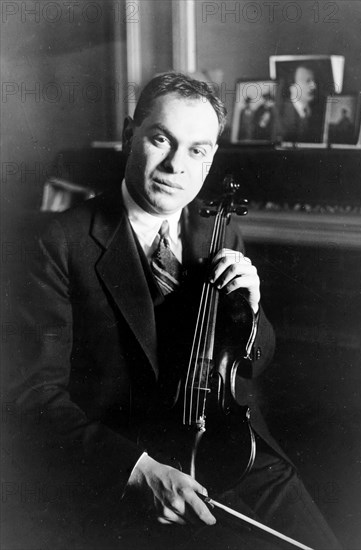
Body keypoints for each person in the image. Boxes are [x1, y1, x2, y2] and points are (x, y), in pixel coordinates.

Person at [9, 72, 341, 550]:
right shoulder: (58, 243)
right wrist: (137, 471)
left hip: (233, 453)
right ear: (130, 136)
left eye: (197, 150)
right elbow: (33, 397)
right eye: (161, 139)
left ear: (211, 159)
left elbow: (252, 363)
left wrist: (251, 308)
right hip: (133, 470)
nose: (175, 166)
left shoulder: (217, 230)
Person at [277, 65, 324, 143]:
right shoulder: (279, 114)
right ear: (292, 87)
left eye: (314, 81)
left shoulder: (319, 113)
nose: (314, 86)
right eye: (308, 81)